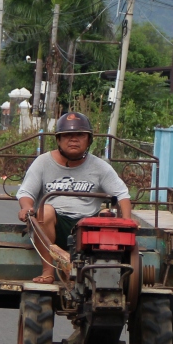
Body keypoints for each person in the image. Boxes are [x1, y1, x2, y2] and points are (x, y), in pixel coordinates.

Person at [17, 112, 133, 284]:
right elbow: (26, 193)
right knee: (44, 211)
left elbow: (122, 195)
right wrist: (26, 207)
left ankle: (101, 270)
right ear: (58, 140)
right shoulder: (42, 162)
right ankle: (48, 271)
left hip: (87, 226)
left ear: (88, 140)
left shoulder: (100, 167)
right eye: (67, 136)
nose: (73, 140)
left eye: (80, 135)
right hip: (55, 225)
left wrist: (127, 224)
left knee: (107, 214)